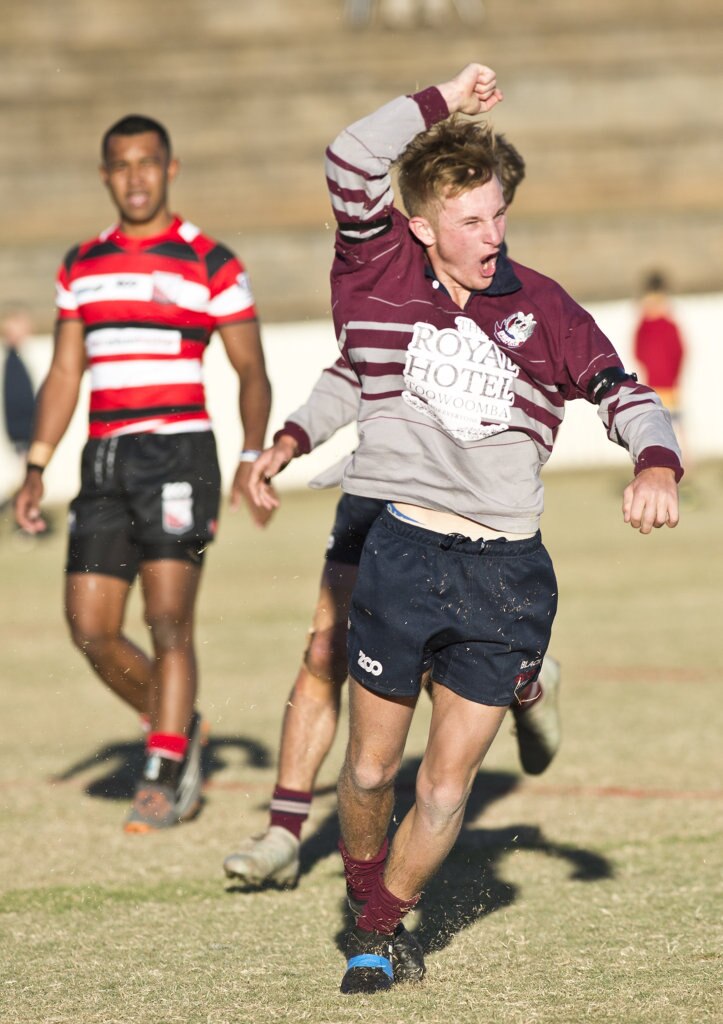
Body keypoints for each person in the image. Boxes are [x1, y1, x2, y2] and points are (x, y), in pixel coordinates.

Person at [253, 63, 682, 994]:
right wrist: (442, 98)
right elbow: (348, 155)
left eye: (499, 216)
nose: (493, 238)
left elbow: (626, 393)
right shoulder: (375, 272)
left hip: (504, 573)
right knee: (368, 777)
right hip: (401, 552)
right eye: (471, 221)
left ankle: (376, 926)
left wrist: (654, 458)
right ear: (419, 227)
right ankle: (368, 885)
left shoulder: (542, 306)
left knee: (442, 788)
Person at [222, 132, 561, 904]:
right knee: (323, 645)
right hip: (373, 496)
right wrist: (291, 438)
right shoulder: (381, 278)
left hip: (452, 516)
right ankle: (282, 830)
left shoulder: (484, 285)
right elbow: (350, 372)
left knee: (444, 673)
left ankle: (528, 684)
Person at [14, 114, 272, 833]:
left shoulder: (209, 261)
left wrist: (253, 454)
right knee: (89, 627)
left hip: (179, 457)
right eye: (121, 165)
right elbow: (66, 370)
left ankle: (164, 767)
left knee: (167, 620)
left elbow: (250, 369)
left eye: (147, 163)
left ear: (171, 168)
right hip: (103, 460)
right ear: (105, 175)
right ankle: (178, 724)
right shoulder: (81, 263)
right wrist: (36, 464)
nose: (135, 177)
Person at [633, 270, 687, 460]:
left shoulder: (662, 324)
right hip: (658, 382)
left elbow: (679, 351)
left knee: (673, 425)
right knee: (661, 426)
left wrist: (673, 374)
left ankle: (682, 463)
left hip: (667, 383)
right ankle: (670, 462)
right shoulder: (648, 324)